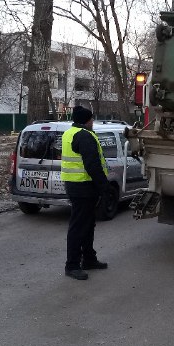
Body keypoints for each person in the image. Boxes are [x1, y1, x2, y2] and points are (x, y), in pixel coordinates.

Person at [61, 106, 111, 281]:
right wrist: (105, 188)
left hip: (77, 186)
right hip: (83, 188)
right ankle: (72, 265)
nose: (93, 122)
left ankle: (89, 259)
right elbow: (93, 166)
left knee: (88, 225)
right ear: (86, 121)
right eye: (91, 119)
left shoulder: (70, 133)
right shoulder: (85, 136)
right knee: (79, 227)